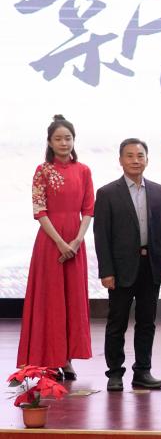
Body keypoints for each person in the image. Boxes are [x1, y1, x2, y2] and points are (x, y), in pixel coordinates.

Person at [94, 138, 161, 392]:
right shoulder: (107, 193)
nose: (135, 160)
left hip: (151, 266)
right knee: (116, 323)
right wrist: (106, 271)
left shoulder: (160, 191)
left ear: (147, 160)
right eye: (129, 156)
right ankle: (115, 373)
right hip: (120, 270)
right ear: (120, 160)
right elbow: (101, 236)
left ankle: (142, 371)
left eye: (140, 156)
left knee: (147, 322)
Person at [18, 115, 94, 379]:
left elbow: (88, 209)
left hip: (75, 242)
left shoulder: (83, 170)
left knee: (72, 300)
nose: (64, 143)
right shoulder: (42, 170)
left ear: (74, 140)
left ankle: (67, 359)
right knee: (50, 300)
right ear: (50, 142)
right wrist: (61, 243)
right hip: (50, 242)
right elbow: (39, 211)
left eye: (68, 138)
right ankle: (49, 360)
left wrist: (77, 240)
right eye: (58, 139)